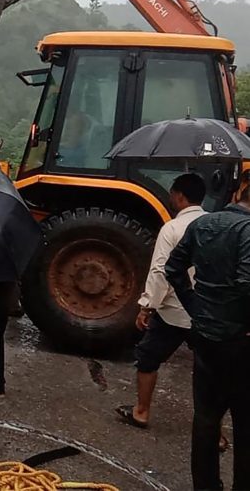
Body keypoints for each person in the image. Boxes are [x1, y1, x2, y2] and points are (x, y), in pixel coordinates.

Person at [166, 182, 250, 491]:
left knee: (205, 418)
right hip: (241, 340)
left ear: (239, 194)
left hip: (205, 337)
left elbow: (173, 269)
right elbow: (247, 283)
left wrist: (196, 308)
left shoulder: (203, 224)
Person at [116, 173, 207, 428]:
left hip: (174, 311)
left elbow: (161, 271)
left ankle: (141, 411)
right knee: (210, 371)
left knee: (148, 358)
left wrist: (147, 306)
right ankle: (216, 432)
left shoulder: (173, 228)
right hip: (208, 312)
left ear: (179, 196)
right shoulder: (215, 225)